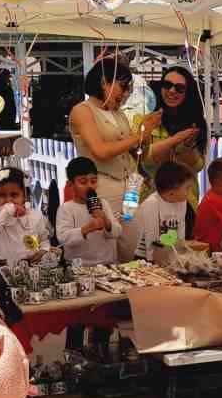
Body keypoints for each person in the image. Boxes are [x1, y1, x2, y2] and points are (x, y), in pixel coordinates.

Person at [69, 55, 161, 260]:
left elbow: (139, 156)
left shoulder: (119, 114)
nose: (126, 94)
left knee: (133, 245)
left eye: (128, 88)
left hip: (131, 186)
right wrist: (138, 136)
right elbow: (100, 151)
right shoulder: (82, 111)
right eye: (123, 87)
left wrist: (145, 136)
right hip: (103, 186)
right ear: (104, 82)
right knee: (106, 248)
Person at [57, 157, 118, 357]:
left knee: (104, 318)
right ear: (71, 184)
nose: (89, 186)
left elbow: (117, 232)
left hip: (106, 268)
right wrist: (86, 228)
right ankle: (73, 355)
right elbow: (64, 238)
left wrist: (107, 223)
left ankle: (100, 352)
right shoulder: (66, 209)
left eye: (93, 180)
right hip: (79, 271)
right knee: (77, 320)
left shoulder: (104, 204)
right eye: (83, 182)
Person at [144, 66, 206, 207]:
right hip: (152, 199)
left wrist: (186, 147)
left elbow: (198, 166)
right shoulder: (146, 118)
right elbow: (144, 160)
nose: (172, 91)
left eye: (179, 88)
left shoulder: (196, 121)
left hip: (186, 201)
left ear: (187, 93)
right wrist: (174, 141)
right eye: (167, 85)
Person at [0, 168, 50, 265]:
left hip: (30, 269)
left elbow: (44, 240)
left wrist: (44, 250)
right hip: (3, 270)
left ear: (24, 196)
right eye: (2, 195)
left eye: (14, 195)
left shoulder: (35, 216)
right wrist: (7, 210)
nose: (8, 200)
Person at [133, 160, 195, 261]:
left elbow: (180, 233)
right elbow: (151, 240)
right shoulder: (152, 204)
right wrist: (154, 264)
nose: (189, 191)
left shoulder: (181, 202)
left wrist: (181, 257)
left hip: (168, 255)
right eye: (187, 188)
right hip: (146, 258)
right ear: (171, 193)